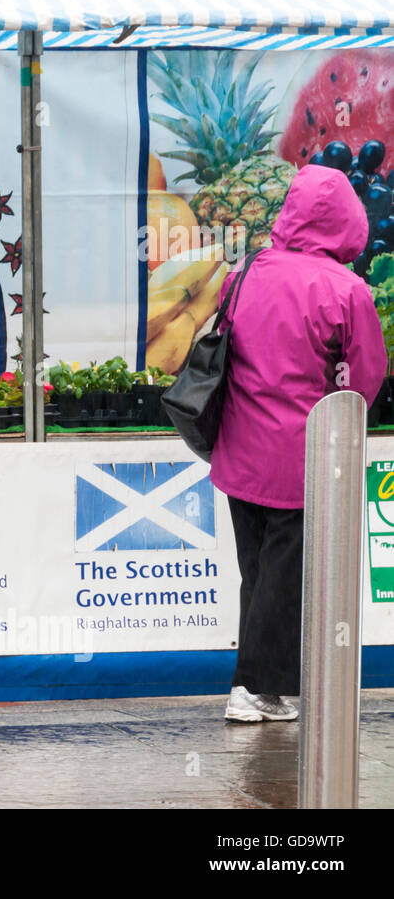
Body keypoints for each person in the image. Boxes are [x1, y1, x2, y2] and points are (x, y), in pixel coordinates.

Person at [211, 163, 386, 722]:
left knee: (258, 572)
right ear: (347, 222)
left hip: (239, 449)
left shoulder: (246, 270)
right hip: (302, 459)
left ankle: (265, 687)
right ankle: (252, 687)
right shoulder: (346, 289)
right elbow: (365, 378)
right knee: (285, 578)